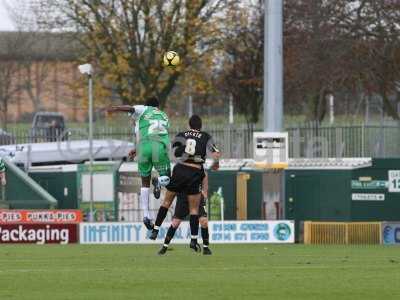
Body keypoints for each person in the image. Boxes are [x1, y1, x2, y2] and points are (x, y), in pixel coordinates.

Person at [150, 115, 220, 252]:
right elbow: (216, 154)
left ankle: (155, 230)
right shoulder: (205, 136)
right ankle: (194, 240)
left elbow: (173, 149)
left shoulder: (182, 134)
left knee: (166, 203)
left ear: (189, 125)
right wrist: (216, 163)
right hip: (194, 173)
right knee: (194, 210)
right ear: (201, 126)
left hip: (180, 170)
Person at [107, 97, 171, 230]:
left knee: (144, 182)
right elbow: (158, 132)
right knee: (168, 178)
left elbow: (131, 108)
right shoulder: (164, 116)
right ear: (158, 106)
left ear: (146, 105)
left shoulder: (143, 110)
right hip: (158, 147)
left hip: (144, 148)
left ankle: (146, 215)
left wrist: (117, 108)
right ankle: (159, 181)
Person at [158, 172, 212, 255]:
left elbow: (205, 180)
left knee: (204, 222)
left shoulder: (199, 168)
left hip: (196, 197)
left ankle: (206, 248)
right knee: (175, 223)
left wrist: (204, 195)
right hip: (182, 199)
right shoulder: (179, 169)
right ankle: (164, 247)